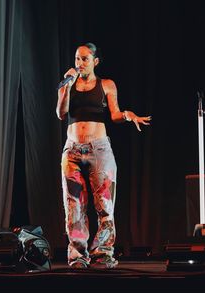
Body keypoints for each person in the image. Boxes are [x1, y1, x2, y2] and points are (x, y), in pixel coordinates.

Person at [56, 42, 151, 269]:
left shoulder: (106, 84)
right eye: (77, 59)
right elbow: (61, 113)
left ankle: (103, 255)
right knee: (74, 206)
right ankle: (78, 256)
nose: (79, 64)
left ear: (95, 61)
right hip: (72, 151)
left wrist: (128, 116)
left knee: (104, 204)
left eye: (85, 59)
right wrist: (65, 88)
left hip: (99, 149)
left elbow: (115, 114)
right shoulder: (68, 84)